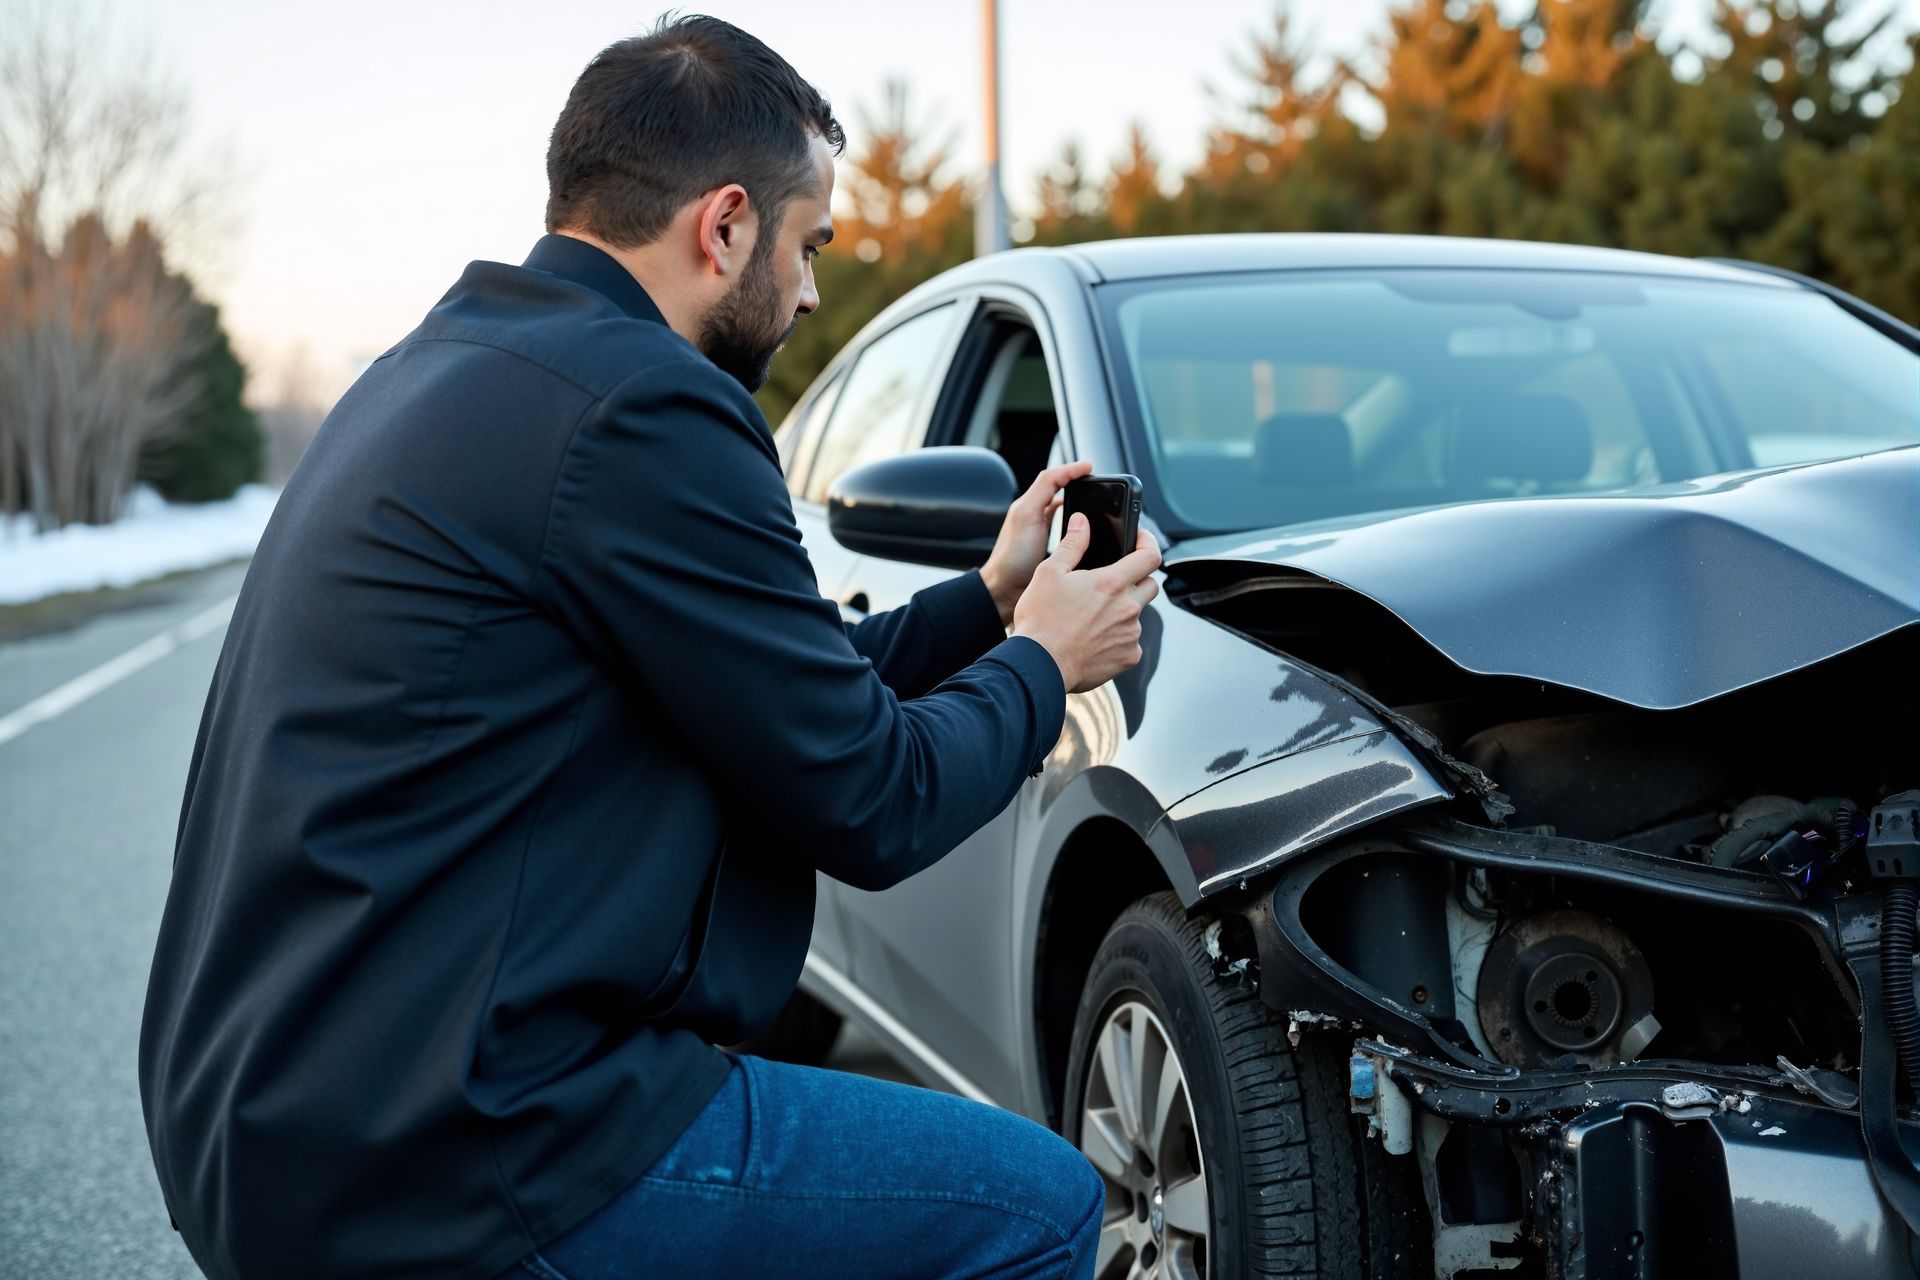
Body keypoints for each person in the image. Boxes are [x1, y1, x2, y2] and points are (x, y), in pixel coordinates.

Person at [138, 15, 1161, 1280]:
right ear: (722, 225)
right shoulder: (646, 406)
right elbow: (871, 798)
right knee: (1040, 1204)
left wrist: (993, 603)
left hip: (282, 1119)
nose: (807, 289)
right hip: (461, 1148)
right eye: (805, 245)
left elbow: (787, 689)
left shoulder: (448, 368)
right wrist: (1047, 665)